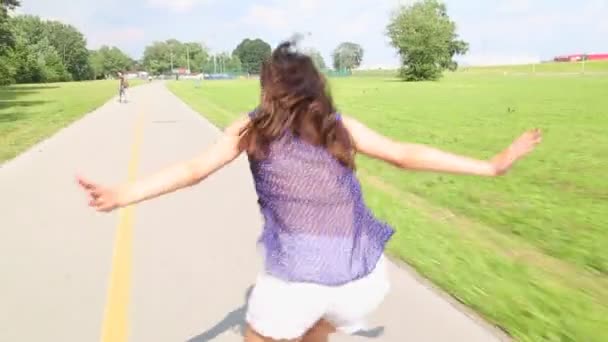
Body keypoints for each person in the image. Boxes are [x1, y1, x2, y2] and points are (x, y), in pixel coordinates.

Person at [77, 41, 541, 342]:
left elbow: (195, 169)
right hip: (362, 280)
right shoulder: (337, 126)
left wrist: (123, 193)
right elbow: (405, 153)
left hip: (297, 280)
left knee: (263, 334)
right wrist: (490, 165)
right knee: (315, 328)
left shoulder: (250, 129)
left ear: (267, 90)